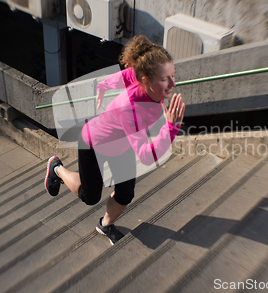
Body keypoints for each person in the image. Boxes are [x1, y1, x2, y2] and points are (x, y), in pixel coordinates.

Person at [44, 35, 185, 245]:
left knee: (125, 194)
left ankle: (105, 225)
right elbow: (146, 156)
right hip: (94, 142)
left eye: (172, 76)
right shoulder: (130, 108)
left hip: (122, 143)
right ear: (146, 80)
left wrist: (102, 88)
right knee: (89, 197)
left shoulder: (138, 75)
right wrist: (170, 128)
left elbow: (119, 77)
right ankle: (57, 168)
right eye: (165, 79)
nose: (173, 84)